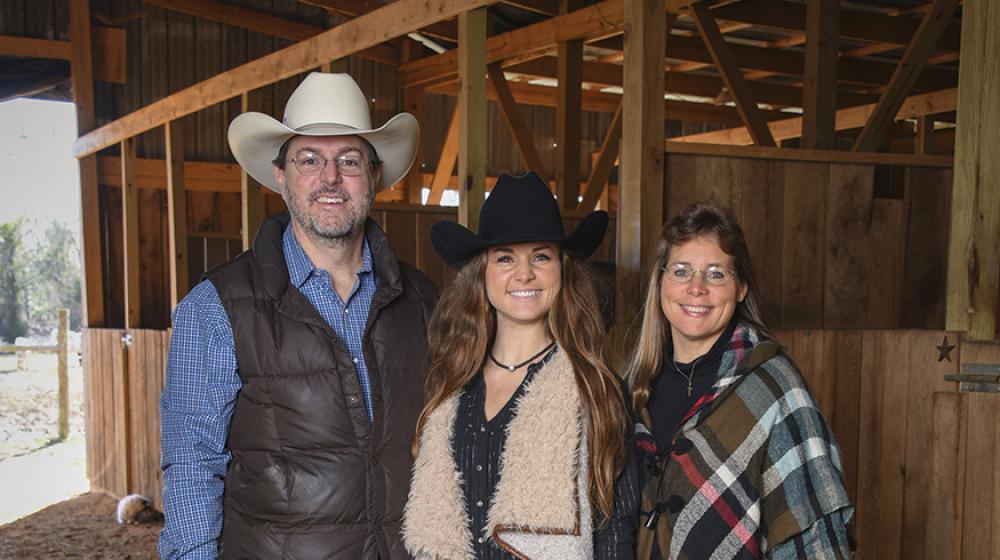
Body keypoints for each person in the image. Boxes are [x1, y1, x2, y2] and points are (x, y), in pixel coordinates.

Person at [158, 73, 438, 559]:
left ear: (374, 176)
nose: (330, 178)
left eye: (349, 160)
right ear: (282, 177)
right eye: (309, 160)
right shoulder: (216, 306)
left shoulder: (424, 300)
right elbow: (192, 462)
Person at [402, 171, 638, 559]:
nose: (524, 273)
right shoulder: (452, 386)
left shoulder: (595, 387)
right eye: (506, 258)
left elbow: (616, 525)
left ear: (563, 269)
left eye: (541, 256)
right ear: (484, 273)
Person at [623, 203, 853, 559]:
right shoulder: (633, 388)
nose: (696, 288)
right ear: (661, 281)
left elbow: (814, 539)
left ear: (741, 287)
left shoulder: (775, 388)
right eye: (681, 271)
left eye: (716, 274)